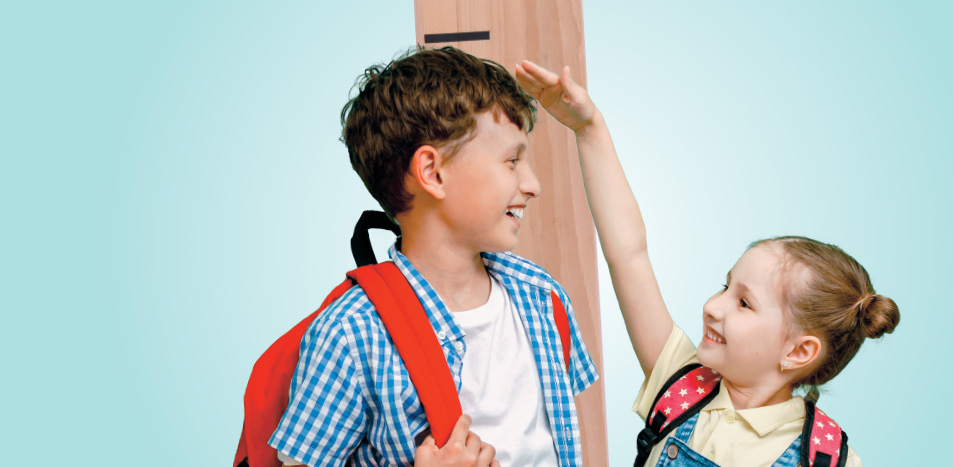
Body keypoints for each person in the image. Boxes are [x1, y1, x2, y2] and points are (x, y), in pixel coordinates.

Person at [515, 60, 899, 467]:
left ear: (799, 351)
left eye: (744, 303)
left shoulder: (827, 459)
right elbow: (628, 254)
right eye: (725, 287)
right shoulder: (681, 385)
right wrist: (589, 129)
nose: (713, 306)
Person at [269, 47, 599, 467]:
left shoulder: (542, 297)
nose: (532, 184)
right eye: (512, 160)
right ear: (433, 173)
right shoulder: (352, 335)